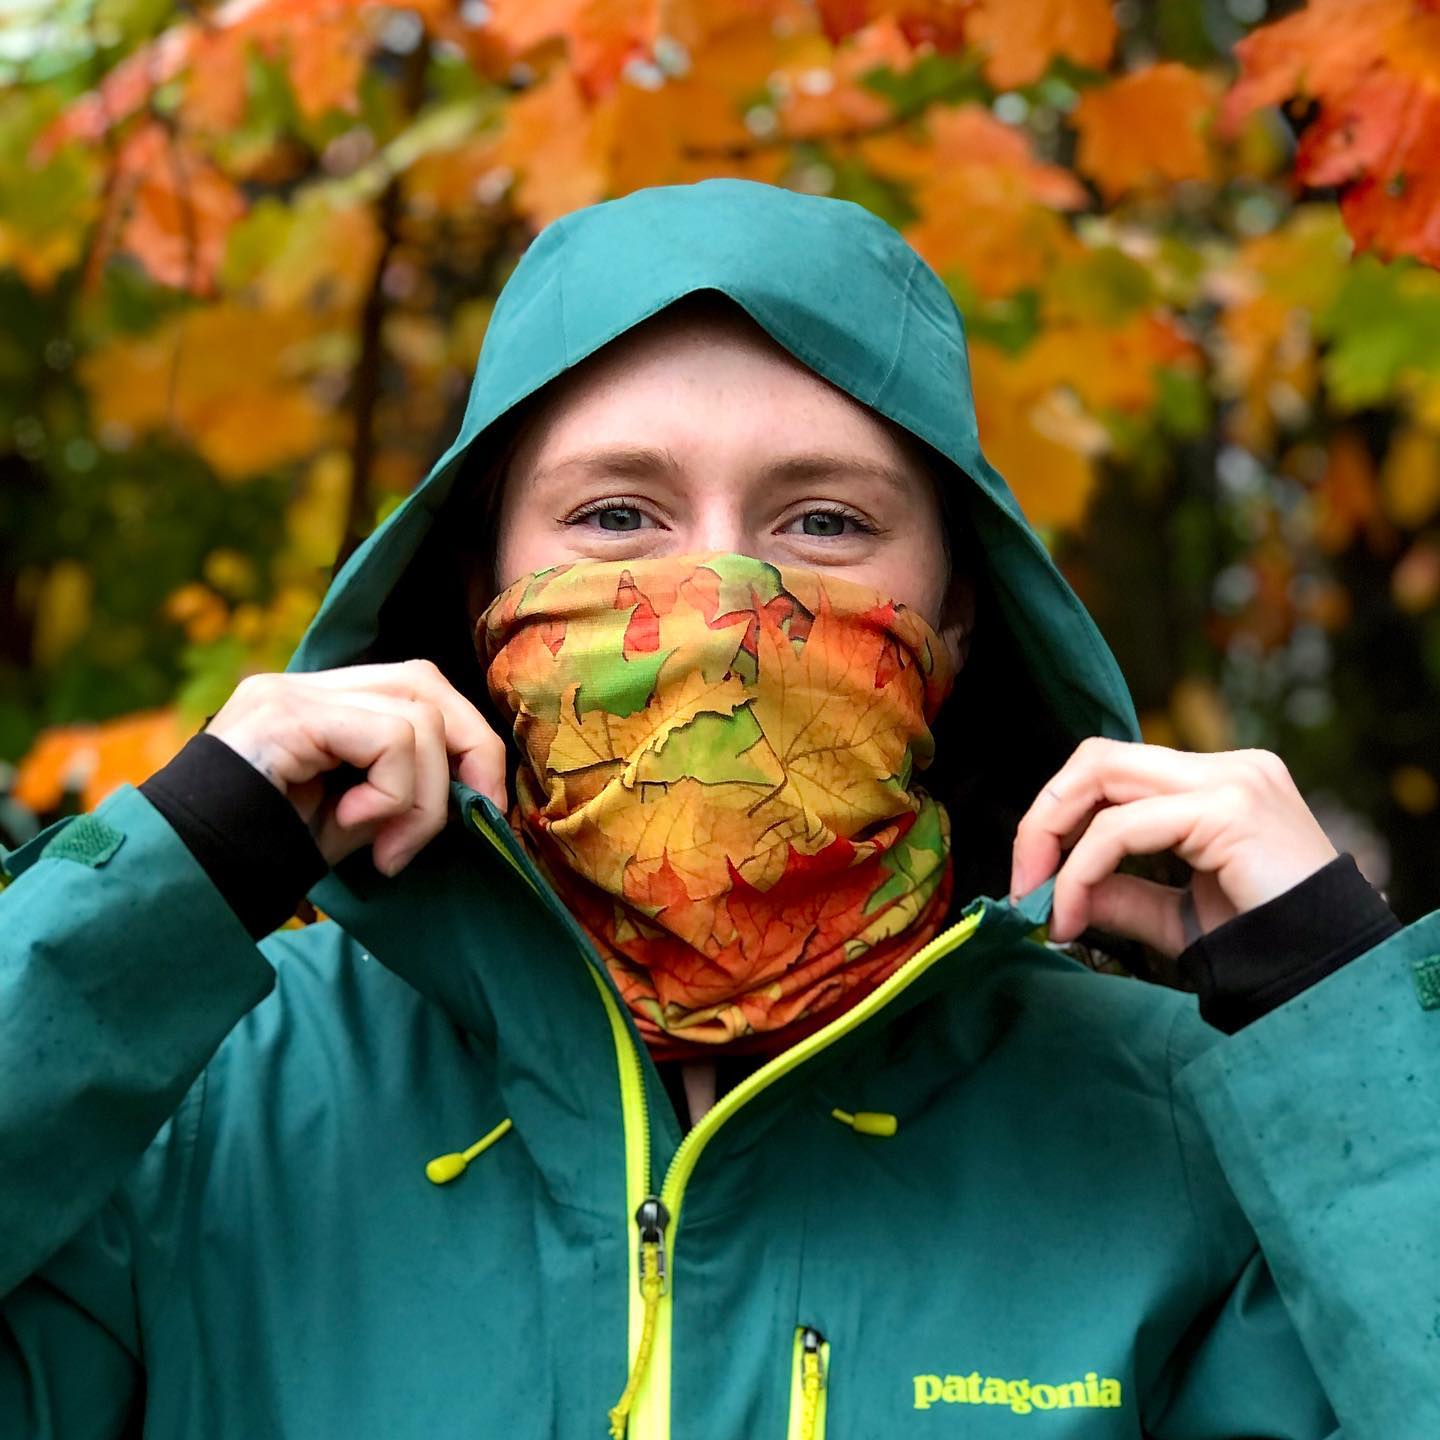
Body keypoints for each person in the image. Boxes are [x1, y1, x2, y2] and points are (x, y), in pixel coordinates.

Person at [2, 178, 1436, 1440]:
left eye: (824, 524)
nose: (718, 601)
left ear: (956, 622)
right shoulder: (206, 1104)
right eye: (616, 517)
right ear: (477, 596)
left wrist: (1344, 1017)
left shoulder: (1173, 1135)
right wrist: (162, 886)